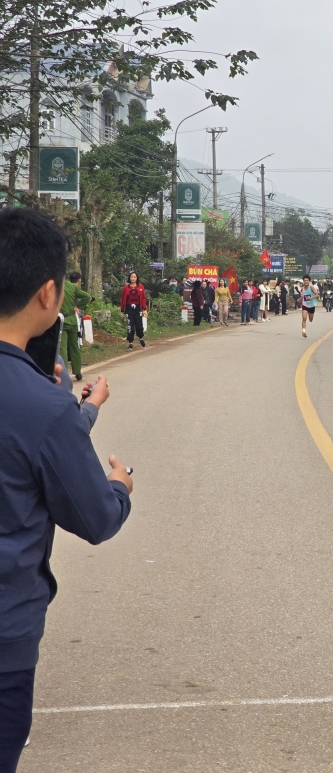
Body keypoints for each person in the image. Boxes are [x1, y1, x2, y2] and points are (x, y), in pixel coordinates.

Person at [0, 207, 133, 770]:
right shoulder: (42, 404)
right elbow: (96, 517)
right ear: (49, 294)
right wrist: (119, 486)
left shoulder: (47, 404)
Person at [60, 271, 91, 381]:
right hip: (73, 320)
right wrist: (78, 306)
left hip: (62, 321)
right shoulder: (72, 286)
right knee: (75, 346)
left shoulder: (56, 286)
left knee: (63, 348)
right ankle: (78, 372)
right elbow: (87, 296)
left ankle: (63, 374)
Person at [120, 271, 147, 350]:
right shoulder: (126, 288)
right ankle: (130, 343)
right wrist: (122, 309)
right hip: (129, 309)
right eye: (132, 277)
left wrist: (144, 308)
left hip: (138, 308)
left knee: (139, 325)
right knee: (130, 326)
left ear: (137, 278)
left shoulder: (141, 287)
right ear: (129, 278)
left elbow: (143, 298)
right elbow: (123, 299)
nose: (133, 278)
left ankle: (141, 338)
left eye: (134, 277)